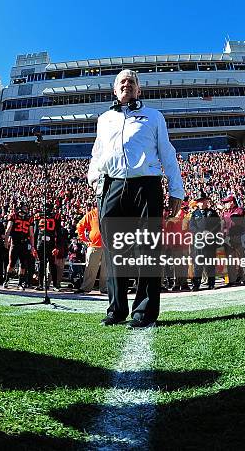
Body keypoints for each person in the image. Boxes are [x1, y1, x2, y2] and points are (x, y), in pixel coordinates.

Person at [88, 69, 184, 328]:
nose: (127, 84)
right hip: (112, 186)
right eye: (122, 81)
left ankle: (144, 312)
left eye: (132, 81)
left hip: (147, 186)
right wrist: (95, 180)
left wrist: (177, 190)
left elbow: (167, 151)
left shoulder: (153, 116)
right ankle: (116, 309)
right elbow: (97, 154)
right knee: (113, 251)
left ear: (139, 90)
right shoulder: (104, 119)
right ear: (114, 90)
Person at [189, 191, 220, 290]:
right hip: (199, 242)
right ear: (197, 203)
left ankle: (211, 284)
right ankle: (196, 285)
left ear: (206, 201)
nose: (202, 203)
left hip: (210, 241)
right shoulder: (195, 214)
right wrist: (200, 233)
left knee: (210, 263)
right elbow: (191, 226)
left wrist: (209, 233)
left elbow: (217, 225)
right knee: (198, 264)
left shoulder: (212, 212)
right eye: (199, 201)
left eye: (203, 201)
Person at [75, 206, 107, 294]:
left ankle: (105, 288)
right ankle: (85, 287)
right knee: (90, 267)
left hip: (108, 246)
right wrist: (84, 240)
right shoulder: (92, 213)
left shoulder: (110, 211)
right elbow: (80, 225)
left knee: (106, 269)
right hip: (94, 245)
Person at [4, 201, 36, 290]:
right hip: (15, 242)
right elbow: (8, 229)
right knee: (11, 263)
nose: (26, 209)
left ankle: (20, 283)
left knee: (23, 264)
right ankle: (6, 280)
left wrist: (32, 246)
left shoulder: (29, 218)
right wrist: (6, 241)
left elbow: (31, 234)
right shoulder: (13, 216)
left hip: (25, 243)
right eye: (24, 207)